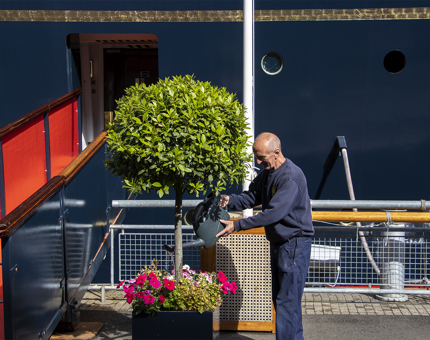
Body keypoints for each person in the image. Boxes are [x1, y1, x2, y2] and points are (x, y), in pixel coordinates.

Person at [216, 132, 314, 340]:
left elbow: (273, 213)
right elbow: (253, 196)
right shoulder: (269, 173)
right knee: (284, 302)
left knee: (287, 303)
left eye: (261, 157)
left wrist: (237, 225)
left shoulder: (291, 177)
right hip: (281, 243)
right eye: (256, 156)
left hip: (294, 244)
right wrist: (229, 200)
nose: (258, 161)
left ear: (277, 152)